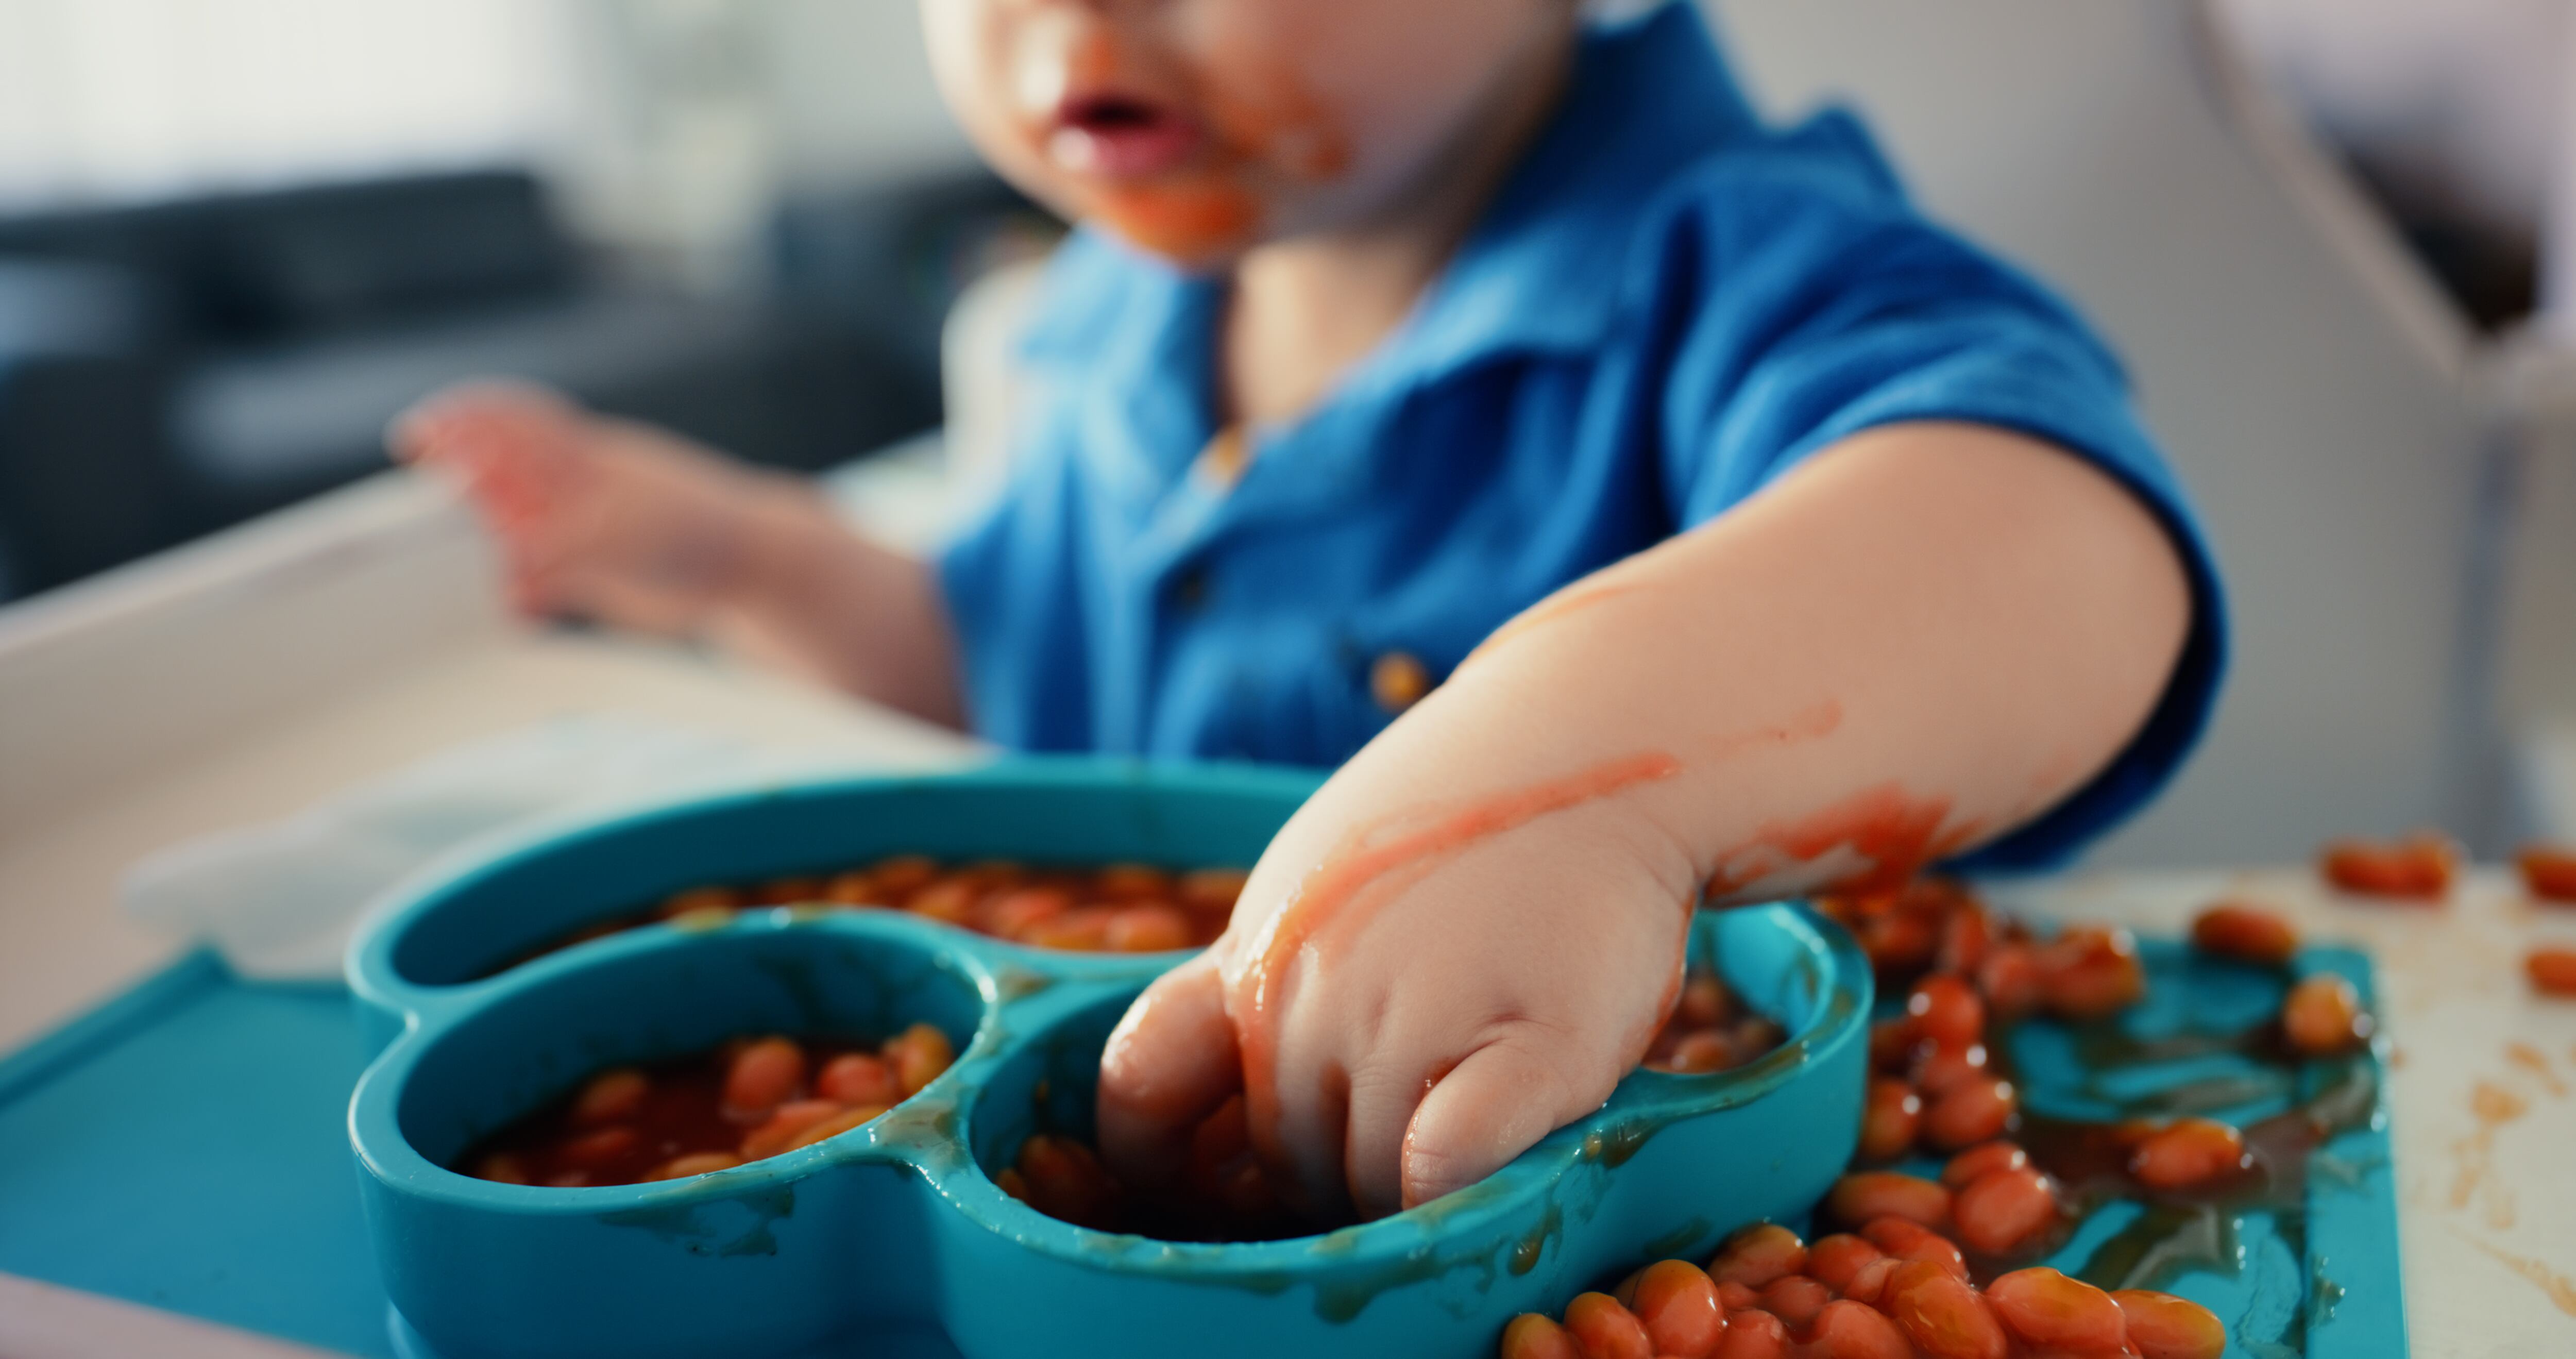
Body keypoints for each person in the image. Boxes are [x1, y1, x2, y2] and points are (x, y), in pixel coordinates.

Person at [394, 0, 2223, 1228]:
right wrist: (754, 563)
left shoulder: (1730, 259)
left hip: (1665, 1197)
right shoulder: (1106, 325)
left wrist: (1575, 786)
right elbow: (1013, 682)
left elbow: (2052, 543)